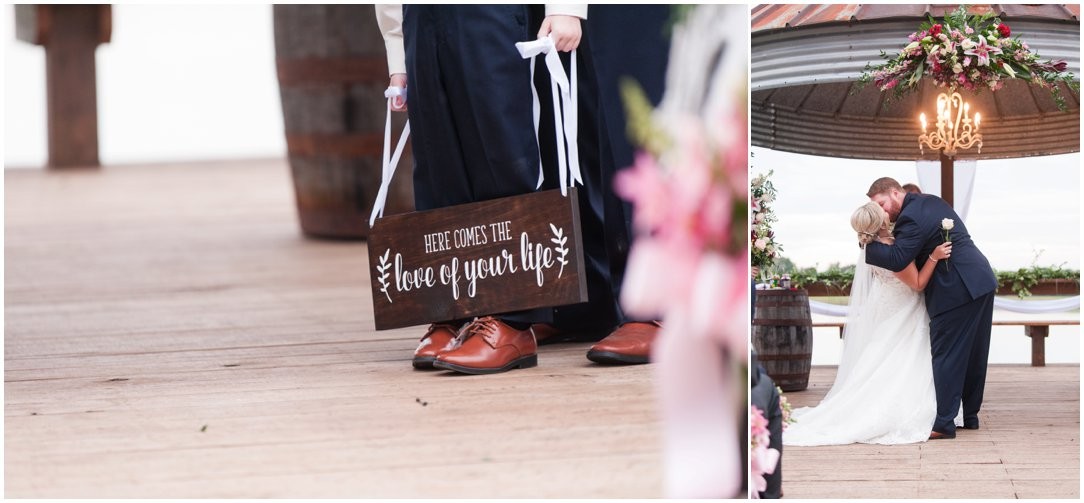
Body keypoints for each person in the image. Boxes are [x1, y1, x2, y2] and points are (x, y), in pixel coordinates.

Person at [375, 5, 585, 374]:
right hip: (422, 18)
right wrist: (398, 48)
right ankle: (453, 314)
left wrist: (565, 7)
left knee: (504, 154)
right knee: (438, 164)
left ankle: (514, 324)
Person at [783, 201, 953, 446]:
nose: (887, 211)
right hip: (902, 309)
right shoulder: (891, 251)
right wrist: (934, 257)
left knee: (881, 357)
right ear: (881, 222)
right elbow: (917, 284)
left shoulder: (871, 248)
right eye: (882, 211)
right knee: (901, 358)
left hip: (887, 305)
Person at [864, 177, 996, 439]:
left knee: (946, 355)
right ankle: (970, 416)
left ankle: (944, 423)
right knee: (974, 354)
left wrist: (867, 248)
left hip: (956, 288)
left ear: (894, 192)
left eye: (881, 204)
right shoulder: (931, 202)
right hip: (981, 279)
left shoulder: (909, 218)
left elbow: (899, 257)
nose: (882, 211)